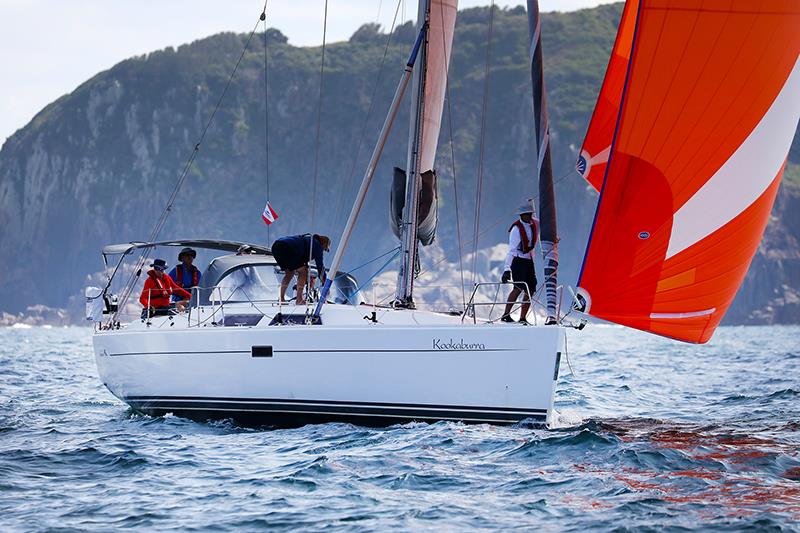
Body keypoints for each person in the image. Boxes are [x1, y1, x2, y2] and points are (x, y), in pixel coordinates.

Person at [500, 201, 539, 325]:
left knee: (531, 289)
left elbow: (543, 226)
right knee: (518, 288)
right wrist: (507, 269)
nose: (529, 216)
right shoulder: (516, 229)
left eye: (530, 214)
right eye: (526, 214)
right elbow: (511, 250)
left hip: (528, 261)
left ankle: (522, 318)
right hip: (518, 261)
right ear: (521, 215)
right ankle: (506, 315)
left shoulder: (533, 224)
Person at [271, 234, 331, 305]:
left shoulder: (309, 240)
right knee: (303, 272)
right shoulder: (317, 245)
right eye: (324, 249)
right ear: (324, 244)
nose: (323, 250)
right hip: (287, 248)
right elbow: (320, 266)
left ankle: (281, 299)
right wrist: (324, 280)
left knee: (289, 273)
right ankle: (299, 300)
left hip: (276, 246)